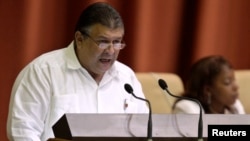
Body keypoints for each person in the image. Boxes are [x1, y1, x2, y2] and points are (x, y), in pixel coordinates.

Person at [7, 2, 149, 141]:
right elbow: (23, 132)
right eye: (103, 42)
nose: (111, 51)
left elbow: (144, 131)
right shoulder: (43, 72)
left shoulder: (126, 78)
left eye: (117, 42)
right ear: (79, 39)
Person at [172, 55, 245, 114]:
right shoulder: (188, 109)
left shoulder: (234, 107)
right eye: (227, 82)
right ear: (207, 89)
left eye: (234, 80)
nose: (236, 87)